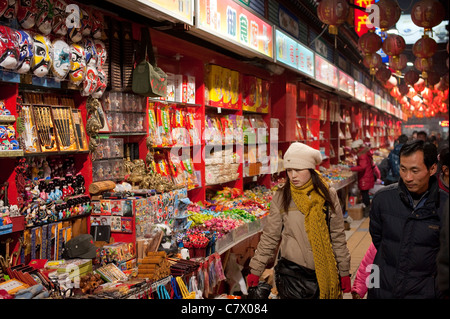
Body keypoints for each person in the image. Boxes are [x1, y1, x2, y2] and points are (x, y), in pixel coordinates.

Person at [247, 142, 351, 299]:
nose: (292, 175)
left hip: (324, 274)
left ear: (310, 169)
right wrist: (256, 269)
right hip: (292, 276)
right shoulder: (282, 197)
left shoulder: (328, 194)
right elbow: (270, 237)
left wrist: (344, 271)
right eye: (289, 170)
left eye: (298, 170)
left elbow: (337, 236)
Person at [369, 140, 449, 299]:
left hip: (424, 291)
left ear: (432, 168)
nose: (407, 177)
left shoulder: (444, 205)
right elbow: (378, 239)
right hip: (385, 287)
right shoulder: (382, 200)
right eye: (403, 169)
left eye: (414, 170)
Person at [350, 139, 379, 216]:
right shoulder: (365, 152)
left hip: (365, 177)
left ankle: (367, 211)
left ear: (356, 148)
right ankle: (367, 210)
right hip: (367, 176)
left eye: (353, 149)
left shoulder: (362, 155)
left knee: (365, 194)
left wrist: (351, 168)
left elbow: (362, 167)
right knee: (365, 193)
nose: (353, 151)